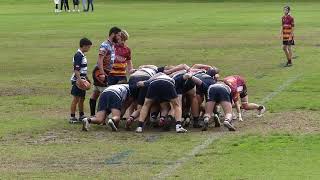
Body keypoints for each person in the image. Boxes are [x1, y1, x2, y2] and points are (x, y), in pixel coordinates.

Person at [89, 27, 122, 116]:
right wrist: (102, 73)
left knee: (96, 93)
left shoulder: (112, 45)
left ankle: (93, 115)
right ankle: (101, 117)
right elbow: (100, 60)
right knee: (106, 94)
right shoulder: (105, 45)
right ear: (113, 34)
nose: (119, 37)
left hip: (105, 72)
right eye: (118, 35)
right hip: (100, 72)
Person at [69, 38, 92, 123]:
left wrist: (86, 78)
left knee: (82, 98)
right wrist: (79, 80)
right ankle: (72, 117)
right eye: (88, 47)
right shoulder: (78, 55)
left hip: (82, 79)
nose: (89, 48)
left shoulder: (82, 55)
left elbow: (83, 70)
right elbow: (76, 69)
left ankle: (81, 115)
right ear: (84, 46)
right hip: (78, 81)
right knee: (76, 99)